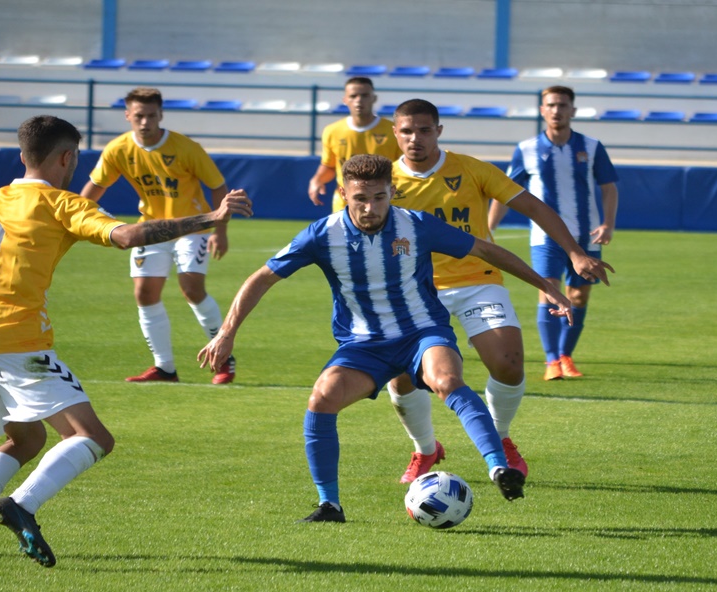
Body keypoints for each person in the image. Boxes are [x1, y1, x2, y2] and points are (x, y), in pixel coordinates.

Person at [0, 115, 253, 567]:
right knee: (94, 438)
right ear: (67, 157)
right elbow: (126, 235)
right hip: (13, 342)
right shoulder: (59, 203)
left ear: (22, 155)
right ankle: (20, 505)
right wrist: (211, 216)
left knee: (26, 439)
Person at [198, 154, 573, 523]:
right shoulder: (321, 234)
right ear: (344, 193)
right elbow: (262, 277)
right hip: (363, 346)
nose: (370, 208)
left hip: (423, 332)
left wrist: (546, 287)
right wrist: (226, 333)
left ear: (392, 192)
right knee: (321, 398)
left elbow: (484, 249)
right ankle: (330, 505)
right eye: (360, 198)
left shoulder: (417, 225)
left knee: (446, 380)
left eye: (379, 197)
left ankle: (498, 467)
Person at [386, 98, 614, 483]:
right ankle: (425, 449)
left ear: (439, 131)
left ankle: (501, 437)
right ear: (395, 133)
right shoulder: (383, 182)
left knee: (508, 365)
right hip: (416, 290)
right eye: (407, 131)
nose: (415, 139)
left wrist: (575, 253)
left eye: (424, 130)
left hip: (478, 281)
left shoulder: (472, 169)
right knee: (402, 376)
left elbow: (535, 208)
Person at [80, 87, 236, 384]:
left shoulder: (186, 148)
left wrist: (221, 230)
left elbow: (218, 187)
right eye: (138, 116)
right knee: (144, 294)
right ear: (128, 116)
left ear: (161, 115)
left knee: (191, 288)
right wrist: (73, 217)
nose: (145, 122)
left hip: (193, 227)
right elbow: (95, 188)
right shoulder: (117, 149)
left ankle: (225, 358)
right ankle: (164, 368)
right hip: (151, 229)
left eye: (151, 115)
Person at [488, 85, 619, 381]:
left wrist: (608, 223)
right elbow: (503, 192)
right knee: (548, 293)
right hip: (544, 239)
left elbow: (609, 187)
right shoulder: (526, 149)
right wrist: (489, 228)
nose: (557, 110)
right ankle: (551, 361)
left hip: (586, 238)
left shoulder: (592, 147)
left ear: (572, 110)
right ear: (542, 110)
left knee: (579, 297)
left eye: (562, 105)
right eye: (551, 105)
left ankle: (565, 356)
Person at [307, 77, 401, 213]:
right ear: (345, 100)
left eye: (364, 95)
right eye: (353, 96)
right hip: (345, 205)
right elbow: (329, 166)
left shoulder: (393, 131)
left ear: (374, 98)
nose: (359, 100)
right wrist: (317, 180)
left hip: (383, 204)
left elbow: (404, 168)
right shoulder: (332, 131)